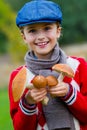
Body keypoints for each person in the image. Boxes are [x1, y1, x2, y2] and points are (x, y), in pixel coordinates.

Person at [8, 0, 87, 130]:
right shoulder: (19, 77)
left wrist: (69, 93)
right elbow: (20, 128)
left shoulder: (78, 66)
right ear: (24, 37)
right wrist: (28, 103)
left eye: (47, 28)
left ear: (58, 31)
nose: (40, 36)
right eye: (32, 31)